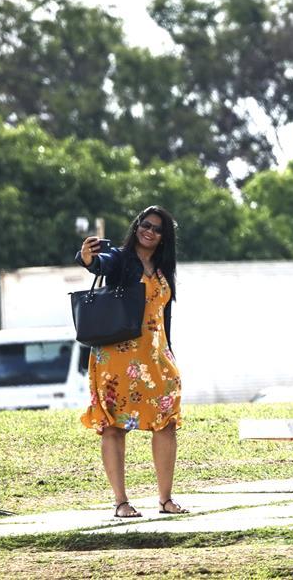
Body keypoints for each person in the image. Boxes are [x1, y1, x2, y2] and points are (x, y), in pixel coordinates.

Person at [77, 206, 189, 517]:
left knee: (166, 423)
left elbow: (163, 317)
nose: (148, 231)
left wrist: (170, 353)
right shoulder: (121, 259)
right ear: (137, 225)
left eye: (156, 229)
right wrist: (88, 258)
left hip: (156, 356)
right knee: (114, 426)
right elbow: (101, 264)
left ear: (164, 238)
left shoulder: (164, 267)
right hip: (117, 356)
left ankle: (166, 500)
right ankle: (121, 502)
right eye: (145, 224)